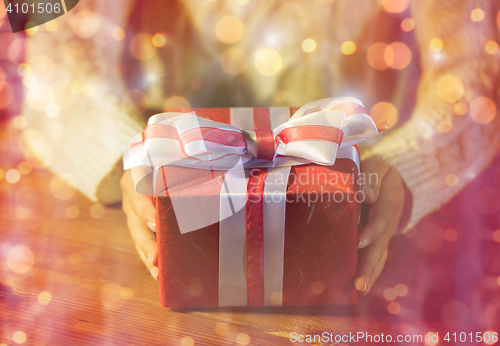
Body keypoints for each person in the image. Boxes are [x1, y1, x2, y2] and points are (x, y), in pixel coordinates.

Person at [21, 0, 500, 296]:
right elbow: (53, 62)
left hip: (364, 211)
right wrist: (129, 155)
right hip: (165, 204)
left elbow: (474, 78)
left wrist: (406, 166)